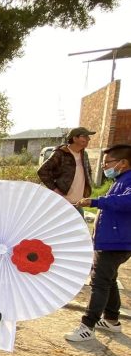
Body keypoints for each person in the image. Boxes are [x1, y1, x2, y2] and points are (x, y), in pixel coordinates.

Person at [65, 143, 131, 342]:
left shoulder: (129, 181)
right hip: (112, 240)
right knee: (108, 279)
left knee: (99, 282)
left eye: (107, 163)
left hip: (116, 242)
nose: (104, 167)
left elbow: (125, 202)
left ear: (123, 163)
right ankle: (111, 320)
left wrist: (95, 201)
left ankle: (87, 326)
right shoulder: (121, 180)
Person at [37, 127, 94, 208]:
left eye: (88, 136)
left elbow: (88, 171)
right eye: (84, 136)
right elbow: (42, 171)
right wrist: (55, 190)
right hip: (62, 204)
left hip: (79, 203)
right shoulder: (61, 153)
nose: (88, 139)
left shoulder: (84, 154)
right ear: (74, 138)